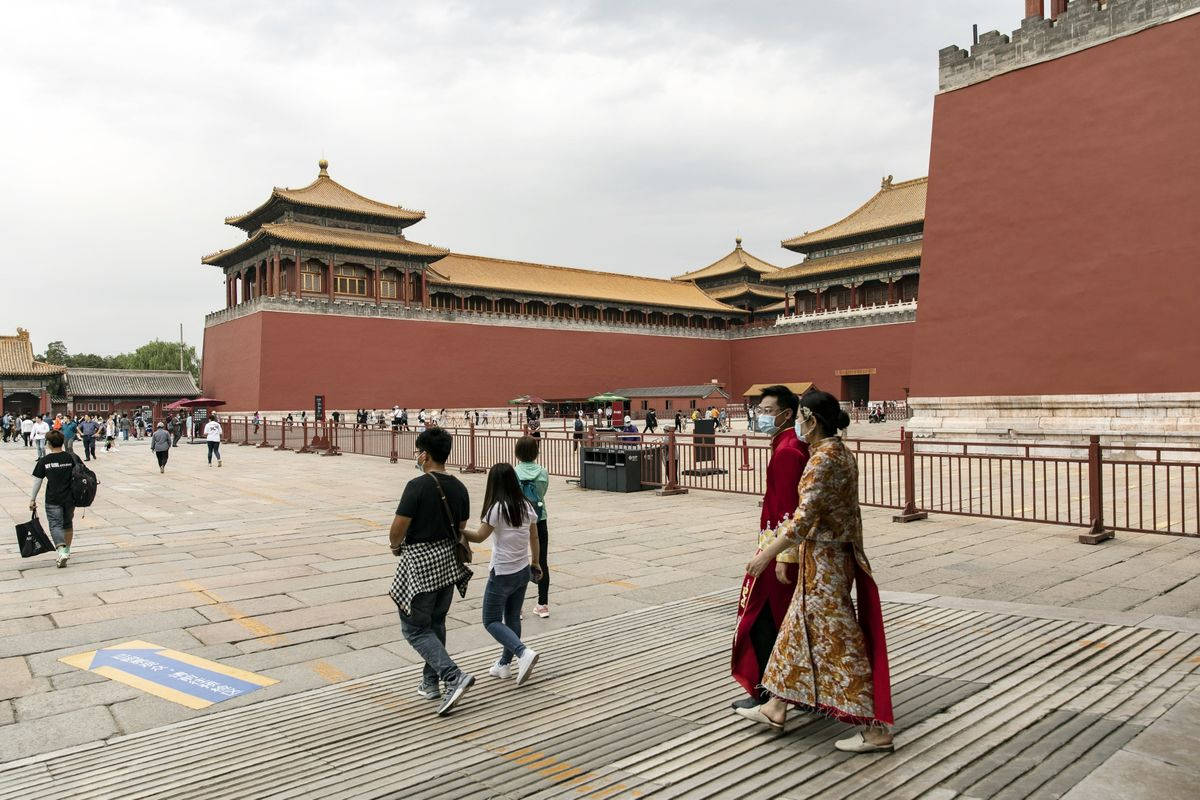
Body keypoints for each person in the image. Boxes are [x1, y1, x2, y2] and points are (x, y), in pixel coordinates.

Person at [737, 390, 894, 752]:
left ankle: (875, 729)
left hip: (826, 565)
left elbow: (803, 520)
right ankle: (776, 706)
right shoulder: (837, 453)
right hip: (824, 561)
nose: (798, 425)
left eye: (801, 418)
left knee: (839, 642)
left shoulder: (822, 460)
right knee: (794, 633)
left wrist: (769, 554)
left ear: (810, 418)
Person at [730, 385, 810, 710]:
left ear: (786, 414)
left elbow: (791, 511)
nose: (761, 416)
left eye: (766, 411)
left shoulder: (787, 451)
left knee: (763, 621)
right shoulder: (786, 445)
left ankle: (765, 692)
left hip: (779, 556)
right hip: (776, 550)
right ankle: (789, 691)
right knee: (778, 622)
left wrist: (778, 557)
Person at [387, 427, 475, 716]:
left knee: (413, 627)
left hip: (421, 567)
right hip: (448, 566)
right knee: (436, 623)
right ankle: (429, 683)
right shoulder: (461, 488)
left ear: (424, 454)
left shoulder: (417, 486)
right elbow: (461, 530)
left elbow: (397, 530)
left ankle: (452, 676)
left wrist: (394, 546)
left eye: (417, 451)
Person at [465, 462, 543, 684]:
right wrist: (536, 562)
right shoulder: (525, 505)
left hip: (501, 572)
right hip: (522, 570)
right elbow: (534, 537)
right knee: (512, 617)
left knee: (490, 620)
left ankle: (522, 652)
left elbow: (479, 536)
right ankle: (504, 665)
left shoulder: (496, 508)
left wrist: (456, 530)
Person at [514, 436, 551, 618]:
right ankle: (543, 604)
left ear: (517, 453)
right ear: (536, 453)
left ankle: (516, 607)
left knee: (518, 562)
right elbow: (542, 493)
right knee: (541, 560)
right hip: (539, 518)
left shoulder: (513, 473)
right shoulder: (543, 472)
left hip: (518, 520)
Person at [29, 430, 76, 568]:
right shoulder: (71, 457)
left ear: (48, 444)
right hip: (70, 498)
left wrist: (32, 499)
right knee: (67, 524)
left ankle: (61, 551)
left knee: (55, 524)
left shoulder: (45, 460)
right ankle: (66, 550)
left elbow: (37, 481)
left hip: (53, 499)